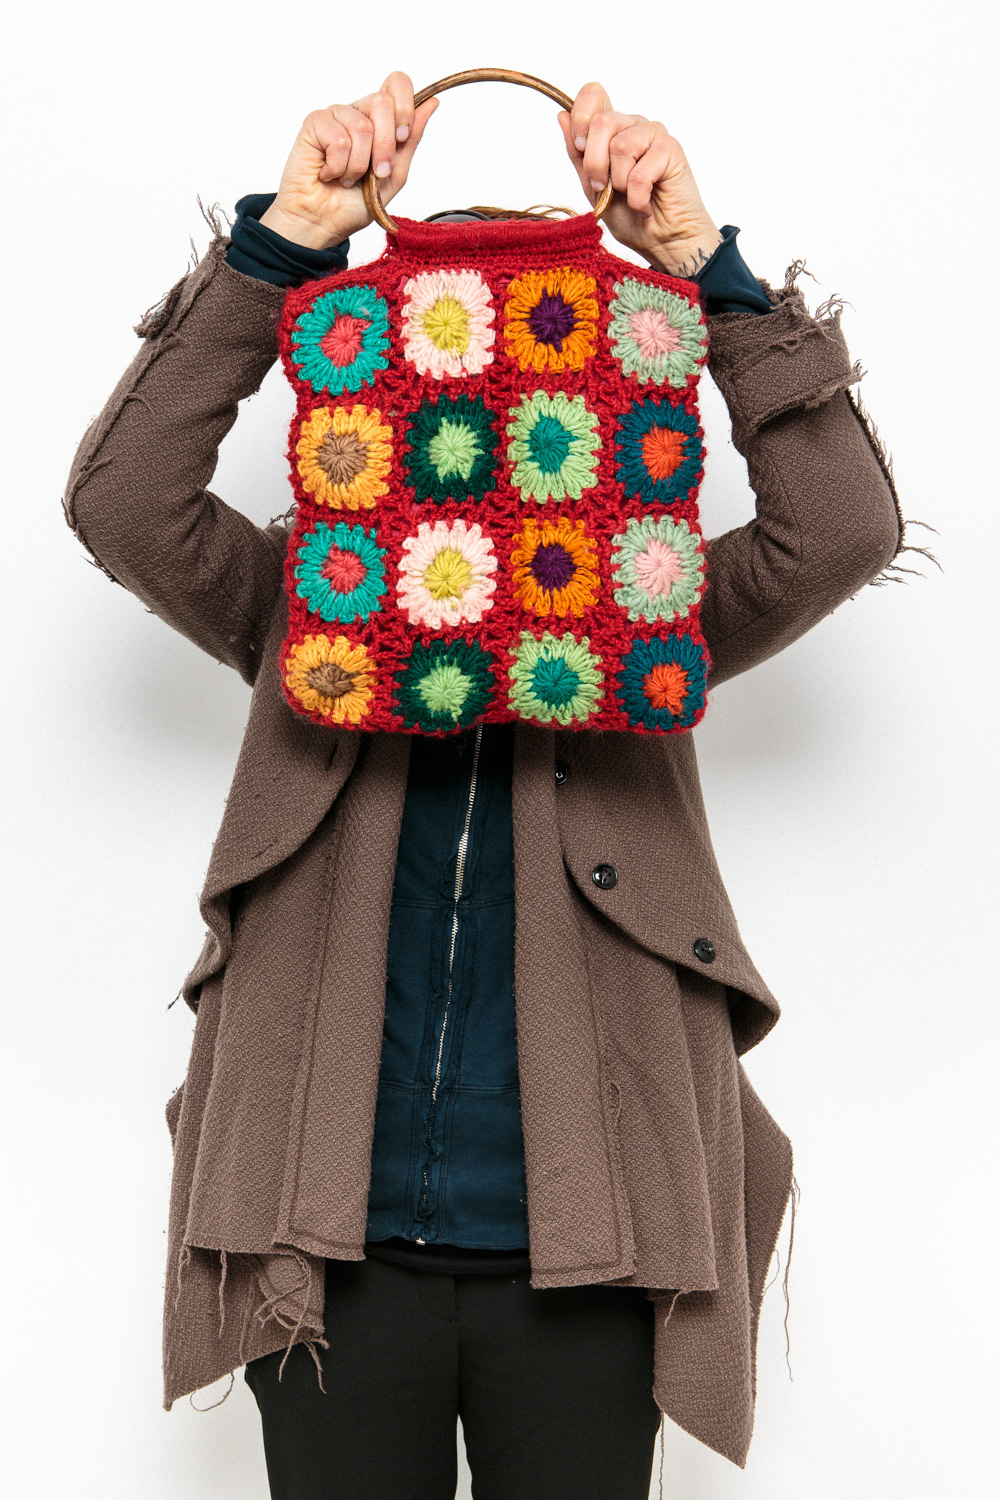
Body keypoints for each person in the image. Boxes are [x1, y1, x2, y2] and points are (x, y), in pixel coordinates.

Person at [64, 72, 903, 1500]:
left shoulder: (645, 612)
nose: (503, 401)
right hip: (323, 1244)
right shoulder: (311, 609)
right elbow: (123, 499)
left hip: (592, 1238)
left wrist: (703, 265)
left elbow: (839, 531)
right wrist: (284, 246)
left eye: (541, 368)